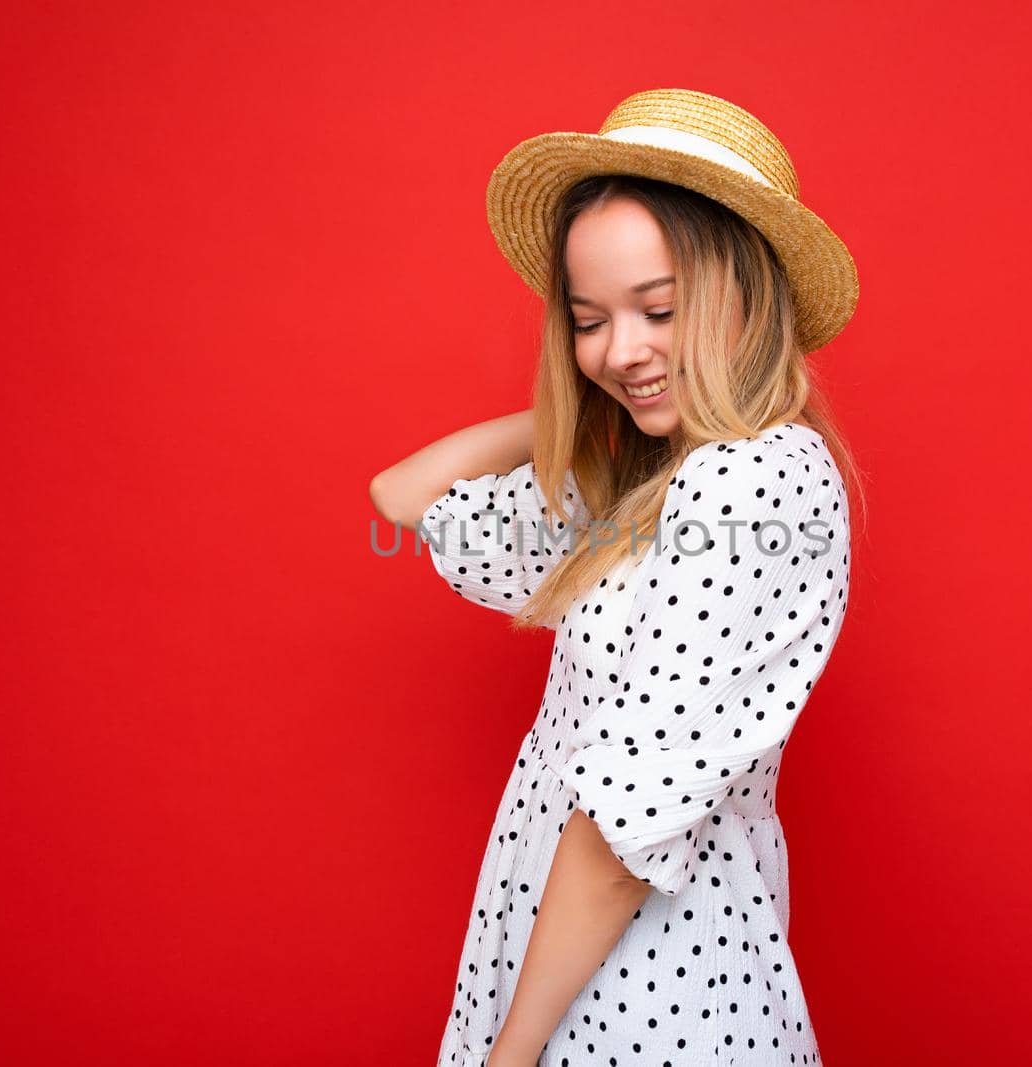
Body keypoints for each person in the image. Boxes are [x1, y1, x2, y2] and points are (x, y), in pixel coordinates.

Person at [369, 87, 864, 1067]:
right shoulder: (649, 483)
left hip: (651, 984)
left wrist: (509, 1050)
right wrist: (586, 406)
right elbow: (402, 493)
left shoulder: (750, 485)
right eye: (589, 319)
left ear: (748, 295)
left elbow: (619, 828)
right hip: (573, 964)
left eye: (660, 308)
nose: (621, 349)